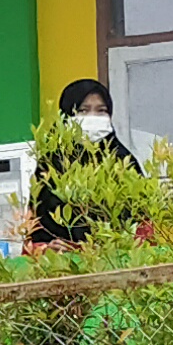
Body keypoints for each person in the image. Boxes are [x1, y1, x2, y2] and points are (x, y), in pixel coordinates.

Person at [33, 75, 130, 247]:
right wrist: (47, 248)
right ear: (67, 115)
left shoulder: (123, 162)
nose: (93, 117)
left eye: (101, 110)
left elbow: (144, 223)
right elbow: (36, 225)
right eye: (83, 111)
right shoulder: (51, 165)